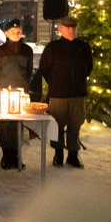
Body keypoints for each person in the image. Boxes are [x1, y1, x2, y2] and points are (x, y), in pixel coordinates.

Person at [38, 15, 93, 168]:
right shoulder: (52, 48)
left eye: (74, 28)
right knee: (57, 125)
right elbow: (44, 68)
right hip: (58, 95)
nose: (71, 30)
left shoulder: (84, 47)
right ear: (60, 29)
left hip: (78, 94)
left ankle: (73, 155)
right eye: (68, 28)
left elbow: (88, 68)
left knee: (75, 125)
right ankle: (58, 154)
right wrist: (56, 83)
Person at [0, 19, 34, 169]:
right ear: (6, 33)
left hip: (21, 92)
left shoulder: (27, 50)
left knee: (18, 124)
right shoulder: (0, 52)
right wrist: (3, 85)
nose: (17, 33)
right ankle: (6, 155)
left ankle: (16, 156)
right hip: (4, 93)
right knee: (5, 124)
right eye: (14, 31)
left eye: (19, 31)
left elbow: (28, 72)